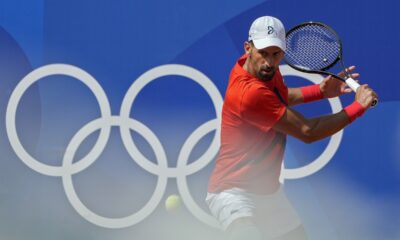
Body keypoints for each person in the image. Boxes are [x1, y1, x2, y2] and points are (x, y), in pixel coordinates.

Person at [206, 16, 378, 240]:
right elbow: (308, 131)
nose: (269, 61)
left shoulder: (263, 70)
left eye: (276, 54)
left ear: (283, 52)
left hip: (268, 192)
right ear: (248, 48)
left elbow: (279, 98)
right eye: (263, 53)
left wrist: (321, 92)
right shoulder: (248, 92)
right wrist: (358, 107)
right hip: (233, 192)